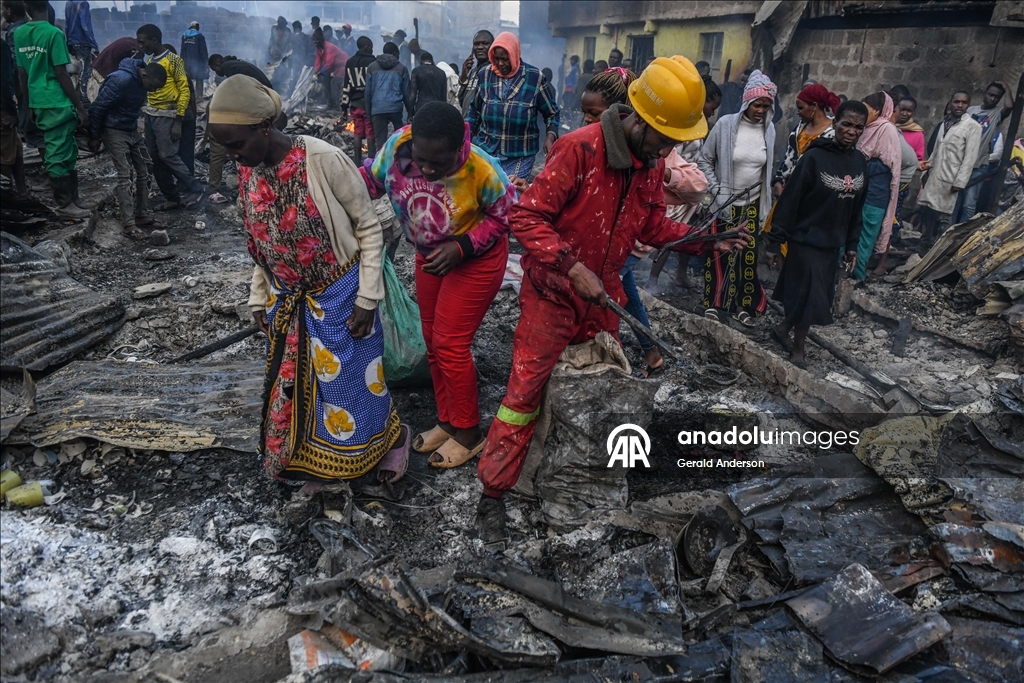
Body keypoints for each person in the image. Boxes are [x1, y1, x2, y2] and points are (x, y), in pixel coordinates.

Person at [475, 57, 749, 546]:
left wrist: (705, 240)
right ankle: (492, 495)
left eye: (673, 142)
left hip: (604, 301)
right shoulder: (577, 150)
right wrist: (570, 265)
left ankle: (578, 477)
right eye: (663, 138)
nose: (667, 151)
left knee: (602, 394)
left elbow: (650, 226)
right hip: (553, 296)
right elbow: (527, 217)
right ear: (638, 118)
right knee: (522, 398)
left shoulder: (651, 163)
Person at [207, 74, 408, 487]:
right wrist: (258, 297)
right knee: (301, 384)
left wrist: (368, 299)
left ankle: (389, 441)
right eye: (225, 148)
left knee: (353, 385)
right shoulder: (249, 170)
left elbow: (369, 228)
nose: (232, 156)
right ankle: (313, 459)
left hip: (340, 294)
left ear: (265, 127)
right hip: (288, 298)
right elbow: (260, 242)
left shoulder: (324, 159)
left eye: (237, 144)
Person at [361, 101, 514, 468]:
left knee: (450, 343)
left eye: (438, 163)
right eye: (421, 160)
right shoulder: (397, 147)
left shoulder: (482, 170)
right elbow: (368, 181)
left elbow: (508, 216)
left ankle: (469, 433)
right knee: (432, 339)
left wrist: (462, 246)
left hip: (475, 258)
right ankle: (447, 421)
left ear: (459, 146)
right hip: (429, 254)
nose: (427, 169)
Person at [578, 67, 707, 377]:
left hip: (625, 248)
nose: (587, 121)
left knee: (610, 301)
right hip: (595, 254)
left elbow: (691, 191)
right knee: (623, 294)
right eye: (585, 113)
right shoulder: (581, 147)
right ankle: (650, 353)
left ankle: (632, 356)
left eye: (594, 114)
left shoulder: (653, 154)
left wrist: (662, 171)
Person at [764, 101, 869, 367]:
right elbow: (790, 202)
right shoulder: (814, 158)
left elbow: (857, 209)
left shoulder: (858, 162)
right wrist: (775, 243)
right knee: (809, 298)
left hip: (831, 244)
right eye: (846, 124)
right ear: (835, 124)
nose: (851, 131)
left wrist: (852, 245)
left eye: (858, 127)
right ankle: (798, 348)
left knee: (811, 294)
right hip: (805, 239)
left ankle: (782, 329)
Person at [697, 69, 776, 328]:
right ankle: (714, 304)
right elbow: (705, 159)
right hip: (725, 205)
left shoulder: (770, 130)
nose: (761, 111)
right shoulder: (725, 125)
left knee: (747, 257)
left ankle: (742, 306)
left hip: (752, 206)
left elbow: (766, 169)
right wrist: (719, 191)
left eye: (766, 106)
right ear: (746, 102)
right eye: (757, 105)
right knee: (720, 255)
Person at [13, 0, 91, 217]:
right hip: (56, 99)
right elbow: (61, 73)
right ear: (47, 8)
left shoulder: (19, 34)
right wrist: (79, 106)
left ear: (27, 9)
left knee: (67, 148)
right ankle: (64, 205)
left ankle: (73, 200)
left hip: (38, 99)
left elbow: (22, 73)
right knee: (58, 152)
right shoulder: (54, 33)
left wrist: (27, 104)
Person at [646, 74, 720, 294]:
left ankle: (679, 275)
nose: (712, 112)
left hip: (688, 187)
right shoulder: (686, 126)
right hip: (674, 187)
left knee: (687, 233)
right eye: (711, 106)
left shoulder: (697, 125)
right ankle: (651, 281)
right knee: (669, 236)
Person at [87, 57, 166, 237]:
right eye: (153, 87)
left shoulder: (141, 80)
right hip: (113, 130)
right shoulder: (121, 80)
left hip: (130, 129)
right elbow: (98, 107)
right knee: (125, 175)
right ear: (145, 75)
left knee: (146, 169)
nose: (153, 91)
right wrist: (94, 135)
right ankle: (128, 223)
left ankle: (141, 215)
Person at [467, 32, 559, 180]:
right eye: (496, 59)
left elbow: (552, 113)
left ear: (514, 54)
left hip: (520, 154)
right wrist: (466, 136)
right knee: (483, 195)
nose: (500, 63)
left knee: (509, 195)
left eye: (505, 59)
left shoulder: (535, 77)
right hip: (486, 149)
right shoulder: (485, 75)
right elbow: (474, 111)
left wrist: (551, 135)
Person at [136, 24, 203, 210]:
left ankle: (195, 188)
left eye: (143, 42)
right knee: (154, 157)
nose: (140, 46)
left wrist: (178, 121)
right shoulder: (150, 60)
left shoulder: (174, 60)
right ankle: (172, 196)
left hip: (168, 115)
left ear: (154, 41)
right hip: (151, 113)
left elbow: (184, 90)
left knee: (168, 155)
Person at [917, 91, 981, 254]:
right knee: (929, 211)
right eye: (956, 102)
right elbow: (936, 151)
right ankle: (923, 248)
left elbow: (970, 157)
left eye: (964, 103)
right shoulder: (945, 123)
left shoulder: (972, 127)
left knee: (945, 216)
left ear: (968, 105)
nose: (960, 105)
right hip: (935, 175)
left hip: (951, 177)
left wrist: (960, 181)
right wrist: (926, 171)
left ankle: (939, 253)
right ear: (950, 103)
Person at [851, 92, 901, 280]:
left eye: (866, 110)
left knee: (864, 241)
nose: (862, 114)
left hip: (874, 196)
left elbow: (886, 165)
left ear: (878, 111)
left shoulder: (886, 129)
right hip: (858, 191)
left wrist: (858, 161)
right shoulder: (865, 128)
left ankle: (857, 279)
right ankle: (844, 275)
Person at [955, 81, 1015, 222]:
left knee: (969, 204)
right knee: (954, 202)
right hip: (961, 162)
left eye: (996, 97)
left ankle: (960, 236)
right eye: (990, 95)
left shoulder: (996, 113)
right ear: (985, 94)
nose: (992, 99)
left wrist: (1007, 87)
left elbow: (1010, 106)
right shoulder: (971, 111)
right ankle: (945, 232)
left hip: (979, 166)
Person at [365, 42, 412, 151]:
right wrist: (410, 113)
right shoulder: (402, 68)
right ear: (394, 53)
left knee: (380, 142)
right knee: (399, 140)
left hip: (377, 109)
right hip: (395, 108)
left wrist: (369, 114)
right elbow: (406, 94)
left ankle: (380, 165)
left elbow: (367, 92)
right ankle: (398, 164)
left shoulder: (371, 67)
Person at [341, 36, 376, 163]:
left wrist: (344, 107)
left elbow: (347, 86)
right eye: (371, 47)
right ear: (366, 46)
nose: (372, 50)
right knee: (370, 133)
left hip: (355, 104)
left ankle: (357, 162)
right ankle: (371, 161)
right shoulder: (373, 62)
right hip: (369, 104)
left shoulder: (350, 62)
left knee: (357, 132)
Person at [1, 37, 27, 197]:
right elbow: (4, 82)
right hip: (3, 110)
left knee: (16, 146)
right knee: (5, 153)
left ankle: (22, 191)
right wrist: (12, 113)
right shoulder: (1, 46)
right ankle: (8, 194)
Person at [64, 0, 97, 104]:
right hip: (83, 43)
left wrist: (68, 43)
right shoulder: (83, 3)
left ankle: (77, 95)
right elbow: (85, 25)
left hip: (73, 42)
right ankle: (84, 98)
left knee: (77, 71)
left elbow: (67, 24)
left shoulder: (68, 3)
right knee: (85, 71)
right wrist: (94, 45)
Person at [458, 30, 493, 116]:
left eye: (485, 43)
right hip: (468, 124)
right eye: (476, 44)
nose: (480, 47)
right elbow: (462, 101)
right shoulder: (473, 71)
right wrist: (464, 77)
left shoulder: (493, 71)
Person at [313, 28, 347, 109]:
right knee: (325, 81)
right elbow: (318, 62)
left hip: (343, 66)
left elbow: (329, 63)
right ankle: (330, 104)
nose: (314, 42)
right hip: (334, 68)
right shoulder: (319, 49)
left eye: (316, 40)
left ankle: (337, 106)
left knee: (334, 83)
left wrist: (319, 73)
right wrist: (315, 72)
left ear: (320, 40)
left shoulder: (329, 47)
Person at [179, 21, 208, 105]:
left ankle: (187, 97)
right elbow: (203, 51)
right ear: (197, 27)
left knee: (187, 79)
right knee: (199, 79)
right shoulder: (199, 36)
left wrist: (181, 62)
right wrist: (206, 63)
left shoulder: (184, 36)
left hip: (186, 62)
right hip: (198, 62)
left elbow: (182, 50)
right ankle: (199, 97)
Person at [895, 96, 925, 161]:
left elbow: (919, 158)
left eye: (909, 111)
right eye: (902, 109)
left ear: (913, 112)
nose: (905, 113)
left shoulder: (918, 133)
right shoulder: (887, 126)